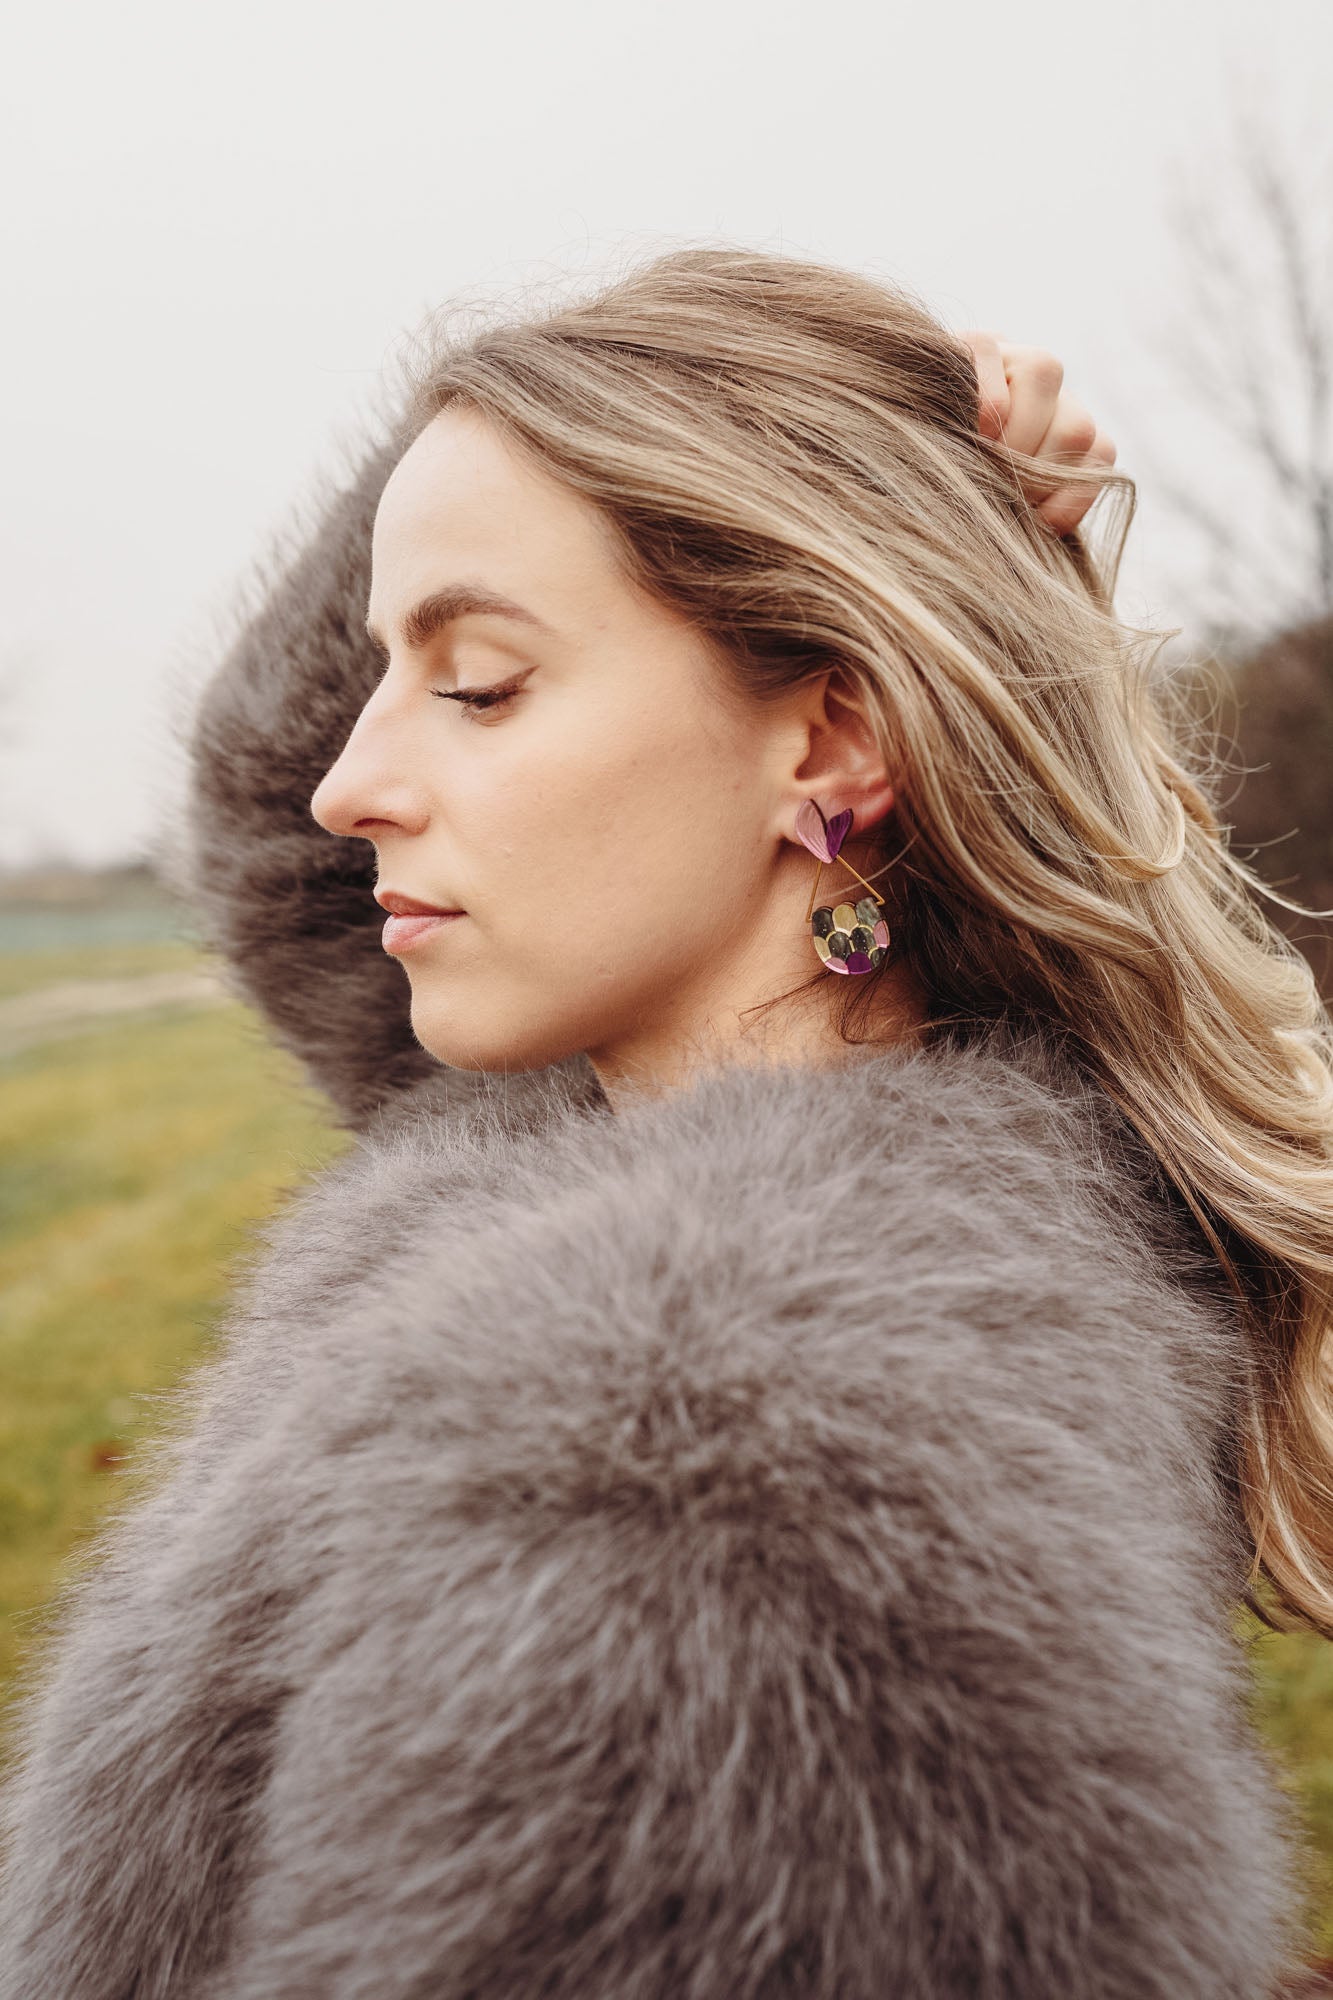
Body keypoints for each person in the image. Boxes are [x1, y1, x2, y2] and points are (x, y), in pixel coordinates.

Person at [0, 248, 1329, 1998]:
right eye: (384, 677)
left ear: (833, 741)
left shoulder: (713, 1473)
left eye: (475, 684)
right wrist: (808, 447)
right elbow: (284, 842)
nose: (349, 779)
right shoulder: (859, 1147)